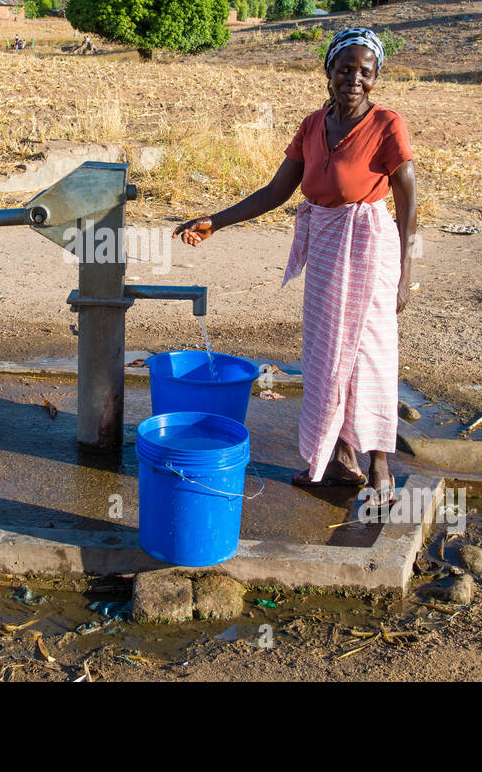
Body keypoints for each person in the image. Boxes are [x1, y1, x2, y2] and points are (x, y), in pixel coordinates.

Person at [173, 28, 417, 507]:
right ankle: (337, 458)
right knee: (328, 356)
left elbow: (409, 202)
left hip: (368, 246)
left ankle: (379, 464)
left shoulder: (388, 124)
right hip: (326, 250)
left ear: (376, 78)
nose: (354, 80)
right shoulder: (312, 126)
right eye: (345, 69)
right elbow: (274, 192)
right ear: (328, 72)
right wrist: (215, 222)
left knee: (369, 354)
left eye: (365, 72)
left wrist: (407, 274)